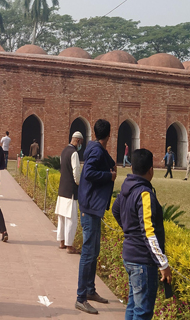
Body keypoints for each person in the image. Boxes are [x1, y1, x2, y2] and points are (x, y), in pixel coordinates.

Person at [112, 148, 171, 320]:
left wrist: (129, 231)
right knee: (142, 312)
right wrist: (163, 263)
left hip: (130, 256)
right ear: (151, 170)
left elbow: (116, 210)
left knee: (133, 306)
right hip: (142, 262)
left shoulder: (127, 187)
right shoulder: (144, 193)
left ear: (131, 168)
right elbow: (148, 232)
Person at [75, 119, 114, 314]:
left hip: (92, 207)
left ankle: (89, 290)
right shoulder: (97, 150)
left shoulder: (96, 148)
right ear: (109, 135)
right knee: (88, 253)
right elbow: (89, 172)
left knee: (94, 251)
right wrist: (109, 176)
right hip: (90, 207)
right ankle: (81, 297)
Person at [55, 131, 83, 254]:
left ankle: (61, 241)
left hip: (62, 189)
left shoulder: (64, 151)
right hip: (71, 190)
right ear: (78, 141)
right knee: (71, 219)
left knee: (61, 217)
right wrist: (79, 184)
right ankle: (69, 245)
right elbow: (76, 173)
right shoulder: (74, 153)